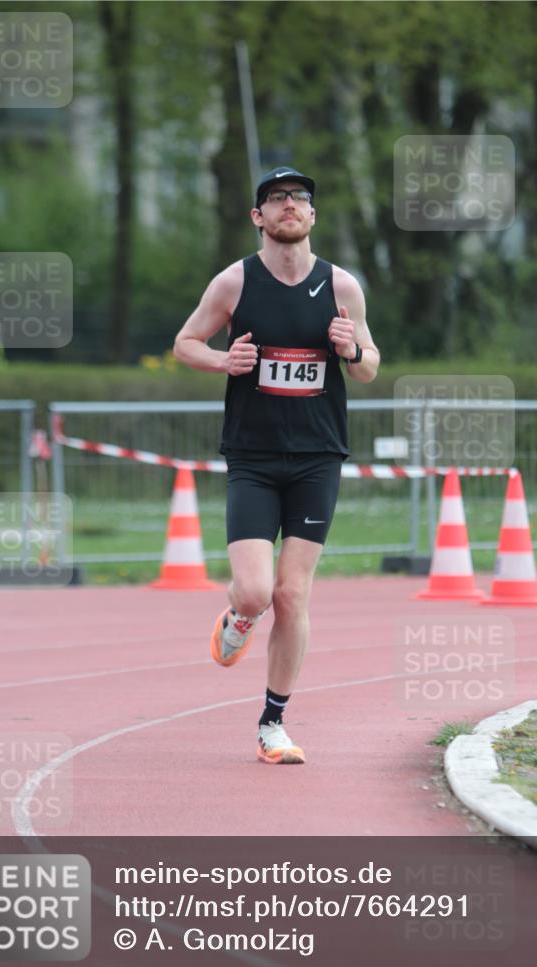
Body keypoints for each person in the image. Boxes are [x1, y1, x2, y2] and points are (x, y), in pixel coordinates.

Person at [174, 166, 380, 764]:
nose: (290, 206)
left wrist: (352, 350)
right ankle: (239, 617)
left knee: (292, 595)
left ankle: (273, 722)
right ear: (258, 217)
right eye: (276, 199)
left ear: (313, 216)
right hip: (254, 458)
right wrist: (223, 362)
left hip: (318, 456)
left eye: (300, 199)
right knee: (256, 590)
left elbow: (369, 367)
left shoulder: (342, 287)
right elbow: (186, 342)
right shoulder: (234, 283)